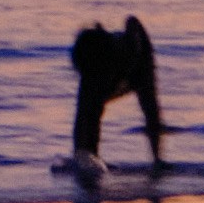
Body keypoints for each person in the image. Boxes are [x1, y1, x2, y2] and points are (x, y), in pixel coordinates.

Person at [66, 15, 168, 172]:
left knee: (149, 107)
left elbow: (151, 111)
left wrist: (157, 160)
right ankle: (86, 159)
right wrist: (83, 159)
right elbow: (83, 121)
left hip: (131, 63)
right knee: (88, 114)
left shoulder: (135, 57)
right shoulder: (92, 73)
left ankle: (157, 160)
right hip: (106, 59)